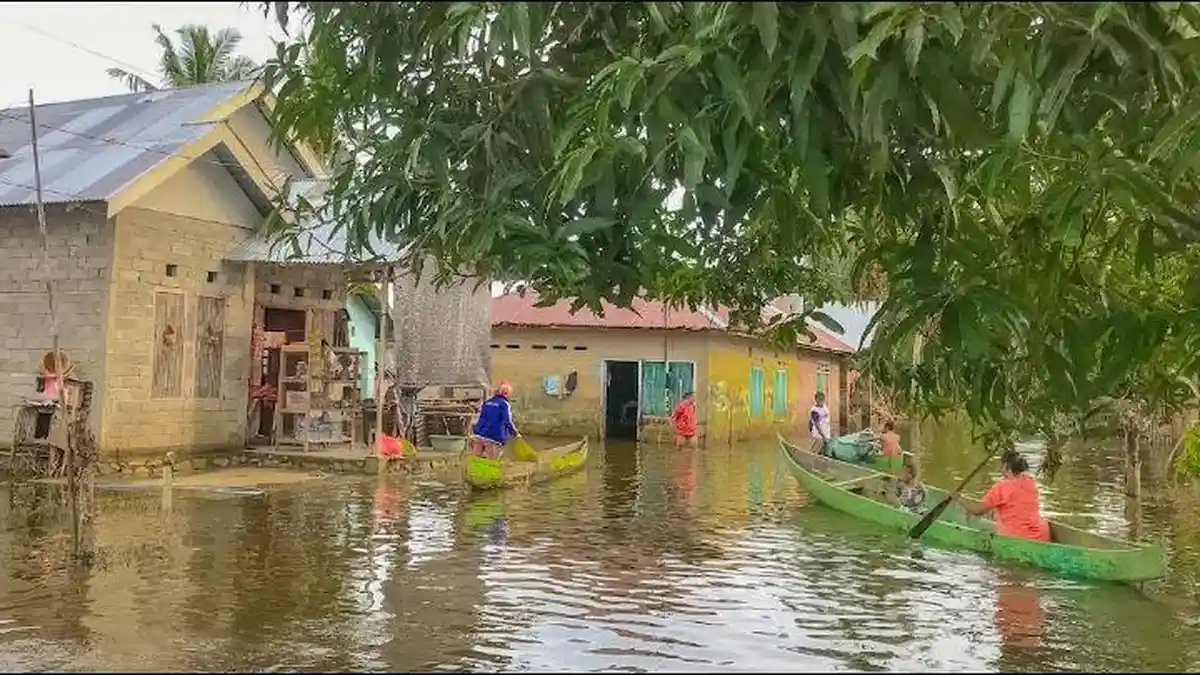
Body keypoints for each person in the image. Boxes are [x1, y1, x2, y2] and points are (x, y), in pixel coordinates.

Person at [958, 449, 1052, 542]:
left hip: (1019, 536)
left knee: (982, 526)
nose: (999, 468)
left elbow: (977, 511)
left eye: (1001, 464)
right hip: (1041, 535)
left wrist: (958, 498)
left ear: (1006, 466)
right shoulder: (1030, 482)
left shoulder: (1002, 487)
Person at [470, 382, 520, 459]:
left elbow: (481, 417)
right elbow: (507, 421)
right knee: (491, 462)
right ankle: (486, 471)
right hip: (494, 438)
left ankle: (477, 471)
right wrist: (515, 433)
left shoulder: (487, 402)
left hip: (479, 435)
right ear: (506, 393)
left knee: (476, 460)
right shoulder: (504, 404)